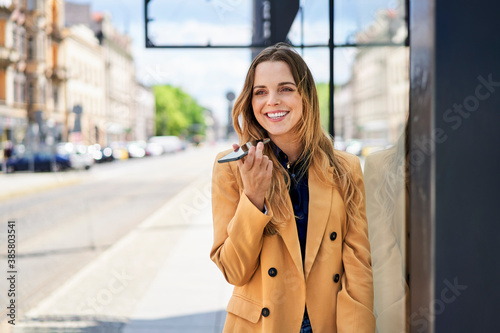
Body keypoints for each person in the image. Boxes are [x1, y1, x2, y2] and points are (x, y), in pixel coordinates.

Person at [210, 43, 375, 333]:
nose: (271, 101)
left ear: (305, 96)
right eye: (260, 92)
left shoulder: (345, 168)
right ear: (250, 101)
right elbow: (234, 270)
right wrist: (253, 197)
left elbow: (359, 270)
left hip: (328, 323)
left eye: (285, 88)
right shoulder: (231, 168)